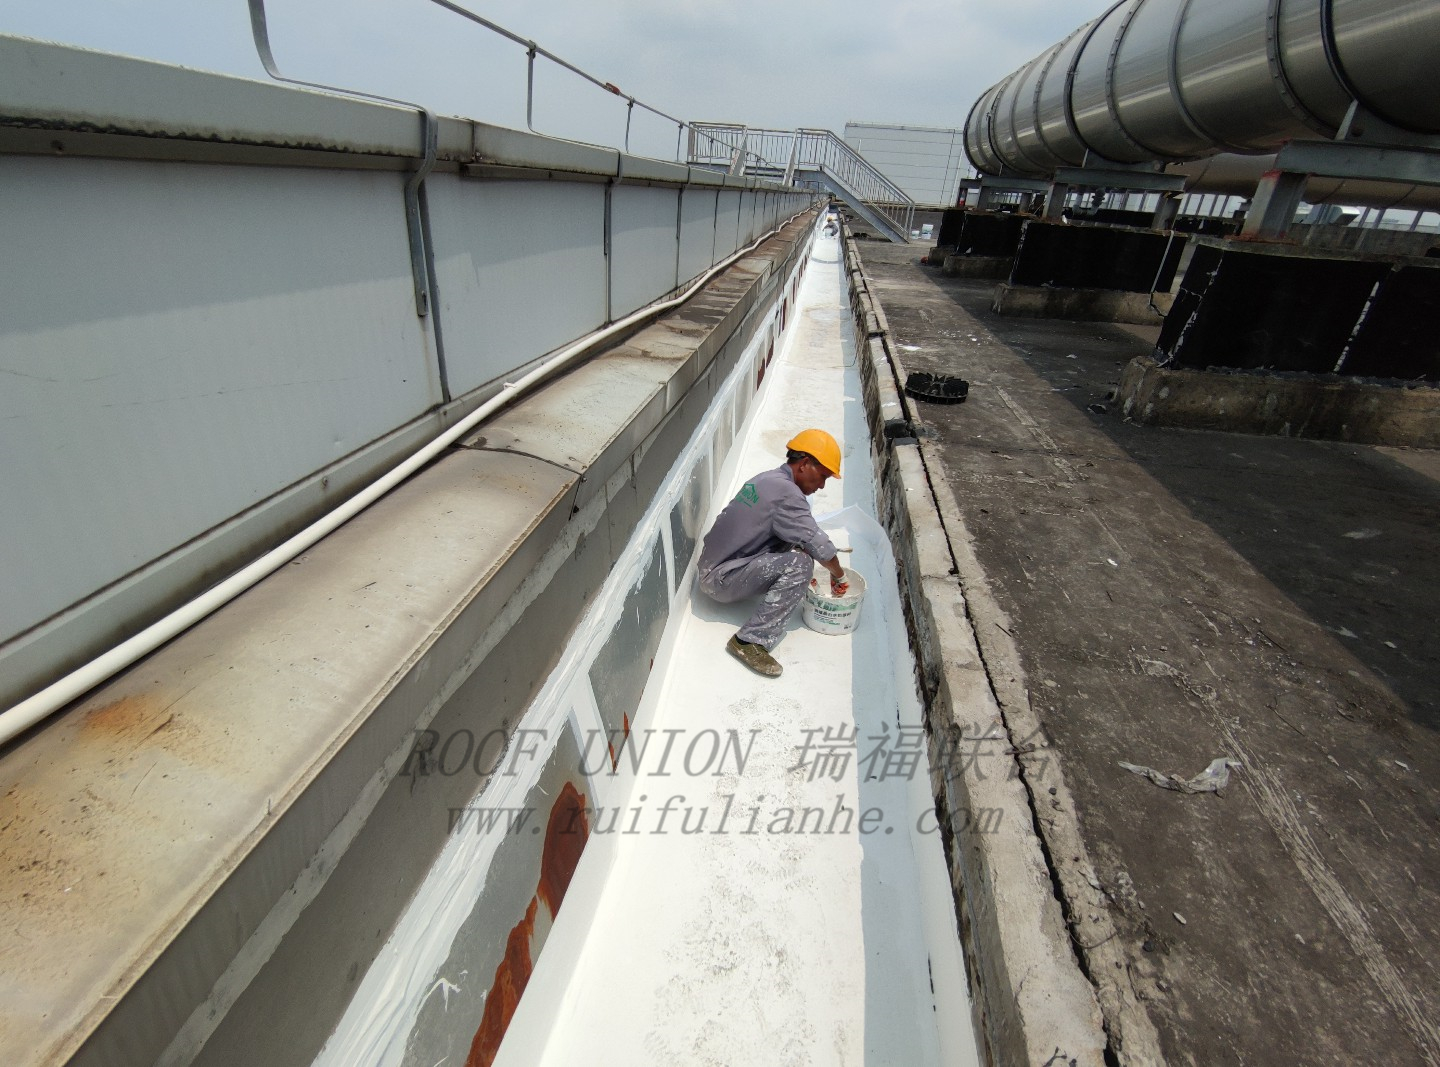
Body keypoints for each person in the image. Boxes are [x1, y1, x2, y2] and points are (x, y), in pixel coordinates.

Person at [698, 429, 848, 678]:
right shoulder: (788, 495)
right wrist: (839, 576)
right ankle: (749, 641)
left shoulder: (768, 479)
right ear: (805, 464)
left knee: (796, 543)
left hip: (714, 564)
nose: (822, 485)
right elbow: (819, 545)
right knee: (801, 564)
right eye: (822, 476)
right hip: (720, 579)